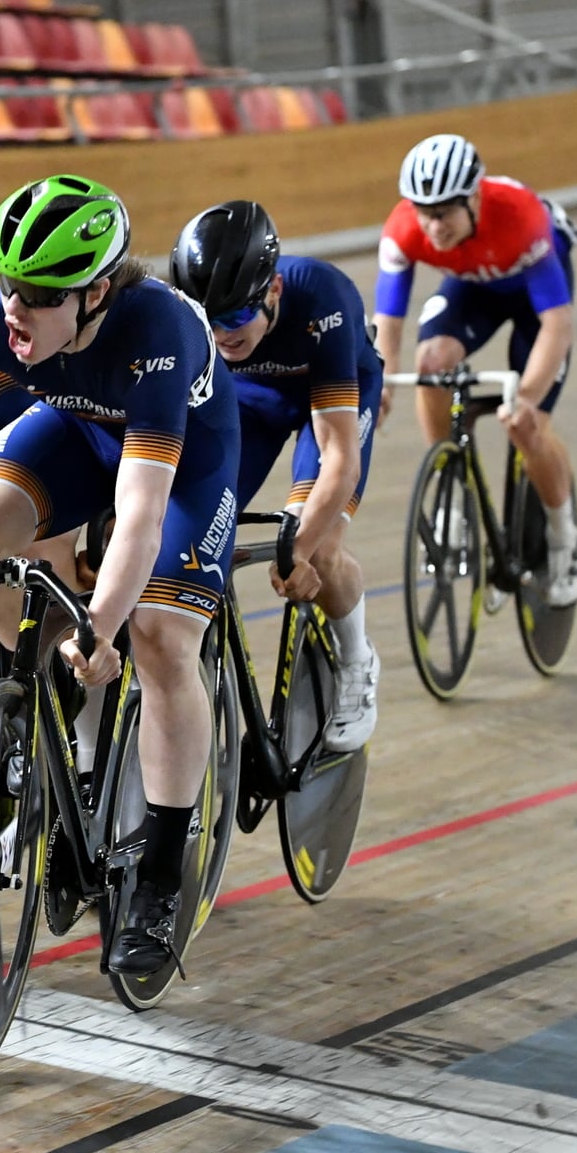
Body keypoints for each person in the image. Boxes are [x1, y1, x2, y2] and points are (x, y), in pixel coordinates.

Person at [0, 175, 242, 979]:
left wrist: (102, 621)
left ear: (95, 292)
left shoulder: (156, 330)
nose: (13, 308)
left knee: (162, 638)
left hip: (182, 463)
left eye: (37, 293)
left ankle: (161, 875)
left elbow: (139, 511)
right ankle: (64, 700)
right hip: (76, 429)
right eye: (4, 282)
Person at [171, 199, 382, 751]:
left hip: (330, 396)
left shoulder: (324, 298)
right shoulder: (203, 329)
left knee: (320, 542)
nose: (222, 334)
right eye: (207, 320)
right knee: (191, 513)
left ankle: (358, 659)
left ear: (274, 292)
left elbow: (339, 456)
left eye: (237, 317)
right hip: (251, 400)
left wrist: (299, 549)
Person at [374, 132, 577, 606]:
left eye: (444, 213)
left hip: (537, 301)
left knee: (528, 428)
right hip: (476, 287)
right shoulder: (403, 229)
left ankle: (563, 536)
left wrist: (527, 398)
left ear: (473, 198)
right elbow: (387, 324)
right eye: (423, 212)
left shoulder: (522, 218)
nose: (432, 226)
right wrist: (381, 386)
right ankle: (451, 486)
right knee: (431, 364)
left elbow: (557, 324)